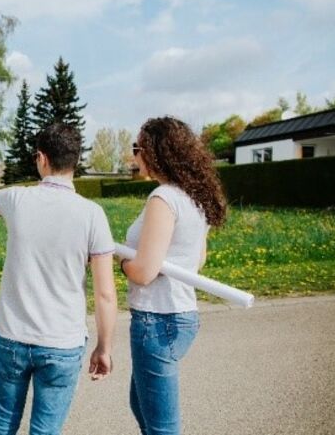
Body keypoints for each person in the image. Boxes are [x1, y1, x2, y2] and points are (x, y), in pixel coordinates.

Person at [0, 123, 118, 435]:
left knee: (2, 425)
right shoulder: (93, 215)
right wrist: (104, 347)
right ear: (76, 161)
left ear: (41, 158)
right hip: (62, 343)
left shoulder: (17, 200)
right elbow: (105, 294)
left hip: (12, 337)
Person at [119, 116, 227, 435]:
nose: (133, 156)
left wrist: (121, 261)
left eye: (136, 148)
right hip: (181, 316)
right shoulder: (194, 197)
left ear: (154, 152)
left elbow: (143, 272)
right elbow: (198, 260)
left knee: (163, 427)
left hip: (157, 319)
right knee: (140, 404)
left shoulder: (163, 198)